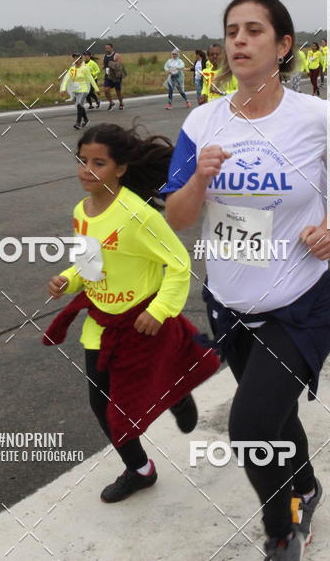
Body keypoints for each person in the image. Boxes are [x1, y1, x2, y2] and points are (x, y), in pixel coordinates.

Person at [163, 0, 330, 560]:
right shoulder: (202, 121)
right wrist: (199, 182)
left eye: (254, 31)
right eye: (232, 31)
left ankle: (282, 529)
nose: (239, 41)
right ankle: (306, 484)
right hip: (229, 303)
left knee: (251, 426)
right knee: (274, 412)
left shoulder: (317, 117)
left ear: (282, 46)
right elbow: (176, 218)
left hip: (299, 303)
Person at [44, 124, 220, 503]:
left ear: (120, 169)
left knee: (127, 396)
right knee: (101, 404)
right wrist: (68, 279)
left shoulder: (137, 215)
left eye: (99, 163)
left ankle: (176, 391)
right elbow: (91, 264)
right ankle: (140, 470)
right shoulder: (82, 211)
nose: (86, 170)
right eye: (82, 160)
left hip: (141, 325)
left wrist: (159, 311)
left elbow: (178, 263)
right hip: (102, 324)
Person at [60, 55, 99, 129]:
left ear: (81, 60)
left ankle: (78, 123)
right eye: (74, 58)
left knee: (79, 105)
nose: (75, 60)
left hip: (84, 90)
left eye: (77, 58)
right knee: (80, 106)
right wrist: (63, 89)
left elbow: (91, 79)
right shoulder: (72, 69)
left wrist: (96, 89)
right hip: (76, 90)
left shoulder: (84, 69)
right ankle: (86, 120)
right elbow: (66, 79)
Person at [102, 43, 125, 110]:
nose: (107, 49)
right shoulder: (104, 56)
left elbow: (121, 65)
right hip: (108, 75)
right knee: (106, 90)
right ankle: (111, 103)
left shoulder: (116, 55)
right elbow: (104, 65)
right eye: (106, 48)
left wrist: (112, 65)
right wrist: (104, 67)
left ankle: (121, 103)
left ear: (112, 48)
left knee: (118, 91)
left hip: (116, 76)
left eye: (108, 48)